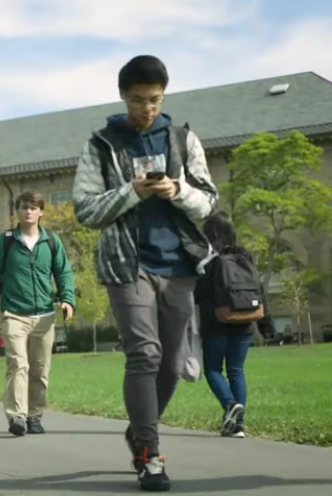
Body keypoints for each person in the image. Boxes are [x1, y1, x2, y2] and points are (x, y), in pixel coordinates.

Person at [71, 55, 218, 491]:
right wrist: (132, 191)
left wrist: (177, 190)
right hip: (127, 264)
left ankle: (140, 429)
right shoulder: (102, 144)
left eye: (154, 100)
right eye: (138, 100)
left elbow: (210, 201)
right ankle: (150, 454)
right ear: (123, 96)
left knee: (171, 366)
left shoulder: (183, 139)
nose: (147, 109)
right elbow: (85, 209)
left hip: (179, 266)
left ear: (164, 96)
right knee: (145, 354)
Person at [0, 191, 76, 437]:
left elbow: (63, 273)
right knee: (17, 364)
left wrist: (68, 300)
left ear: (41, 212)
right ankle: (17, 416)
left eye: (33, 208)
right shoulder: (6, 241)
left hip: (44, 315)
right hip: (14, 314)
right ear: (17, 212)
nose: (28, 212)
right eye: (23, 208)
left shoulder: (51, 241)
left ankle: (34, 415)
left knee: (40, 370)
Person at [195, 212, 275, 439]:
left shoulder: (210, 261)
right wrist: (266, 325)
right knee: (236, 370)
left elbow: (198, 293)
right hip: (245, 323)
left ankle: (230, 405)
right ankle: (238, 425)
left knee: (212, 369)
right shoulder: (245, 258)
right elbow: (260, 293)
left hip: (216, 324)